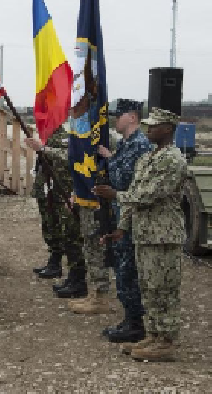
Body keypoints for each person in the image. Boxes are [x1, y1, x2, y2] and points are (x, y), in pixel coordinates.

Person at [95, 108, 187, 362]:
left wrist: (115, 195)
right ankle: (154, 334)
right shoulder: (148, 159)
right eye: (148, 125)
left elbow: (147, 195)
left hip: (163, 235)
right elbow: (134, 196)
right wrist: (121, 228)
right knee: (148, 288)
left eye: (155, 126)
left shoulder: (172, 159)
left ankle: (166, 341)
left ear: (168, 129)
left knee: (164, 288)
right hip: (144, 234)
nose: (149, 130)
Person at [93, 99, 152, 343]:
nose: (115, 120)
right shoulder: (126, 144)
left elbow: (126, 179)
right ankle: (130, 318)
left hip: (132, 216)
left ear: (132, 117)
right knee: (121, 267)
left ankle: (136, 323)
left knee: (129, 270)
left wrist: (111, 160)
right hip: (121, 213)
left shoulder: (140, 145)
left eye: (119, 115)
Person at [25, 128, 87, 298]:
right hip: (47, 190)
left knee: (70, 234)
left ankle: (76, 276)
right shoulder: (46, 136)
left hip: (62, 191)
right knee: (49, 226)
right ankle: (55, 261)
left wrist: (43, 148)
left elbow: (69, 158)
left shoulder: (68, 137)